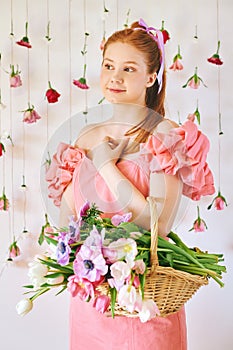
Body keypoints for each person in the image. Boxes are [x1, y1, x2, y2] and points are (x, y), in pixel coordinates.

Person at [46, 18, 215, 350]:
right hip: (91, 305)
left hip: (144, 306)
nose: (115, 77)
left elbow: (158, 224)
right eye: (109, 65)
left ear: (151, 77)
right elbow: (69, 218)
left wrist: (106, 165)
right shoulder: (87, 136)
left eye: (129, 69)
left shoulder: (164, 136)